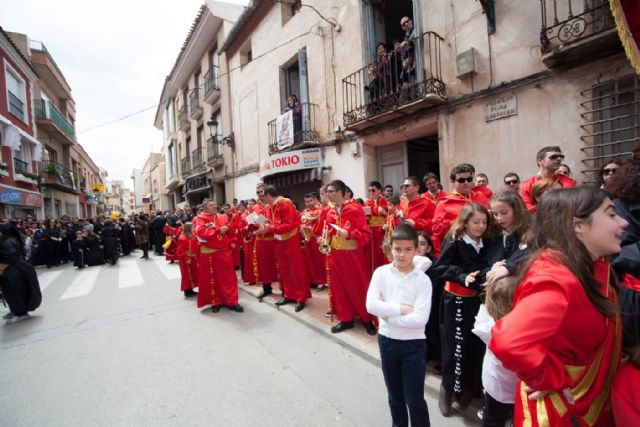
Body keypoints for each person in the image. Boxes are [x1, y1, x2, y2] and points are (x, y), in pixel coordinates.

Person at [490, 187, 628, 427]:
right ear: (578, 225)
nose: (623, 222)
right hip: (562, 414)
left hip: (589, 406)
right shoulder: (555, 277)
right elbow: (509, 341)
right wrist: (549, 378)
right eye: (611, 214)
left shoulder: (593, 266)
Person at [366, 224, 432, 427]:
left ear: (416, 250)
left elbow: (420, 319)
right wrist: (402, 309)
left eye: (408, 249)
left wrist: (387, 314)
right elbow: (371, 305)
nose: (402, 254)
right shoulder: (381, 273)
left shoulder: (422, 280)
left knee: (414, 400)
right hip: (387, 341)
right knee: (395, 397)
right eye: (397, 249)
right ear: (390, 249)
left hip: (413, 345)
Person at [430, 203, 492, 416]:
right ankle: (448, 388)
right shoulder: (454, 241)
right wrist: (461, 275)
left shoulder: (487, 242)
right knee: (454, 346)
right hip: (455, 300)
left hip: (477, 302)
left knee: (474, 346)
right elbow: (439, 268)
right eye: (476, 222)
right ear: (465, 222)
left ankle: (468, 390)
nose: (480, 226)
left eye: (484, 222)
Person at [325, 180, 376, 335]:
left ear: (340, 192)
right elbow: (329, 233)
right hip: (335, 255)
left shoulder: (354, 209)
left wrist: (349, 234)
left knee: (359, 287)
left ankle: (367, 319)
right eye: (327, 191)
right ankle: (346, 319)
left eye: (331, 191)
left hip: (352, 256)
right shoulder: (329, 212)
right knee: (340, 289)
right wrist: (325, 240)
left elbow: (366, 234)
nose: (328, 194)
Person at [472, 276, 518, 427]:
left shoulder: (490, 329)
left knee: (492, 420)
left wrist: (486, 302)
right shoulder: (524, 327)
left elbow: (477, 325)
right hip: (517, 387)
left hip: (496, 386)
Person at [256, 185, 311, 312]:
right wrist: (264, 224)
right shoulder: (270, 207)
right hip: (278, 240)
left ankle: (301, 298)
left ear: (269, 195)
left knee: (296, 270)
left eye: (263, 195)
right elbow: (271, 222)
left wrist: (269, 228)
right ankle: (289, 295)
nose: (261, 198)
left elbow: (288, 225)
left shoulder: (286, 204)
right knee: (284, 270)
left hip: (290, 240)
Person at [193, 200, 243, 313]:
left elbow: (228, 229)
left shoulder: (221, 216)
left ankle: (232, 301)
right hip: (210, 253)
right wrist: (217, 230)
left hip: (224, 252)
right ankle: (215, 302)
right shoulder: (200, 218)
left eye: (215, 204)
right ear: (205, 208)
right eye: (211, 205)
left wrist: (228, 229)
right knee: (212, 279)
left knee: (228, 278)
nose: (215, 206)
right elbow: (201, 232)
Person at [432, 163, 490, 255]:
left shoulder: (480, 196)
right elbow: (436, 230)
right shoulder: (444, 202)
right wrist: (458, 221)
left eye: (469, 179)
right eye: (461, 180)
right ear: (452, 181)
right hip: (460, 249)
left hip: (484, 245)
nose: (466, 183)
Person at [0, 221, 41, 323]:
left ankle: (21, 313)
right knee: (10, 293)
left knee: (15, 292)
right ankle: (15, 311)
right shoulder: (10, 239)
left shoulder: (9, 241)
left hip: (13, 271)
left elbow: (8, 258)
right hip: (15, 269)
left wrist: (1, 270)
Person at [519, 146, 576, 213]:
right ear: (540, 161)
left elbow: (570, 204)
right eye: (553, 157)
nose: (558, 159)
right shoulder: (527, 185)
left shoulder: (567, 181)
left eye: (561, 157)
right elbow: (526, 209)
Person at [365, 181, 389, 271]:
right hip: (371, 231)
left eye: (373, 190)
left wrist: (384, 212)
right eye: (369, 190)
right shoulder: (367, 202)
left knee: (382, 251)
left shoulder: (385, 201)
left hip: (382, 230)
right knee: (372, 253)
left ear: (379, 190)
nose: (371, 192)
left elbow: (391, 216)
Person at [176, 222, 199, 298]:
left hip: (192, 258)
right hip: (185, 259)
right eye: (192, 227)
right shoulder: (183, 238)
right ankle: (187, 291)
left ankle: (191, 290)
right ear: (188, 228)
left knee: (192, 274)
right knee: (187, 275)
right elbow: (180, 250)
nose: (194, 228)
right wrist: (186, 258)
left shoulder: (192, 236)